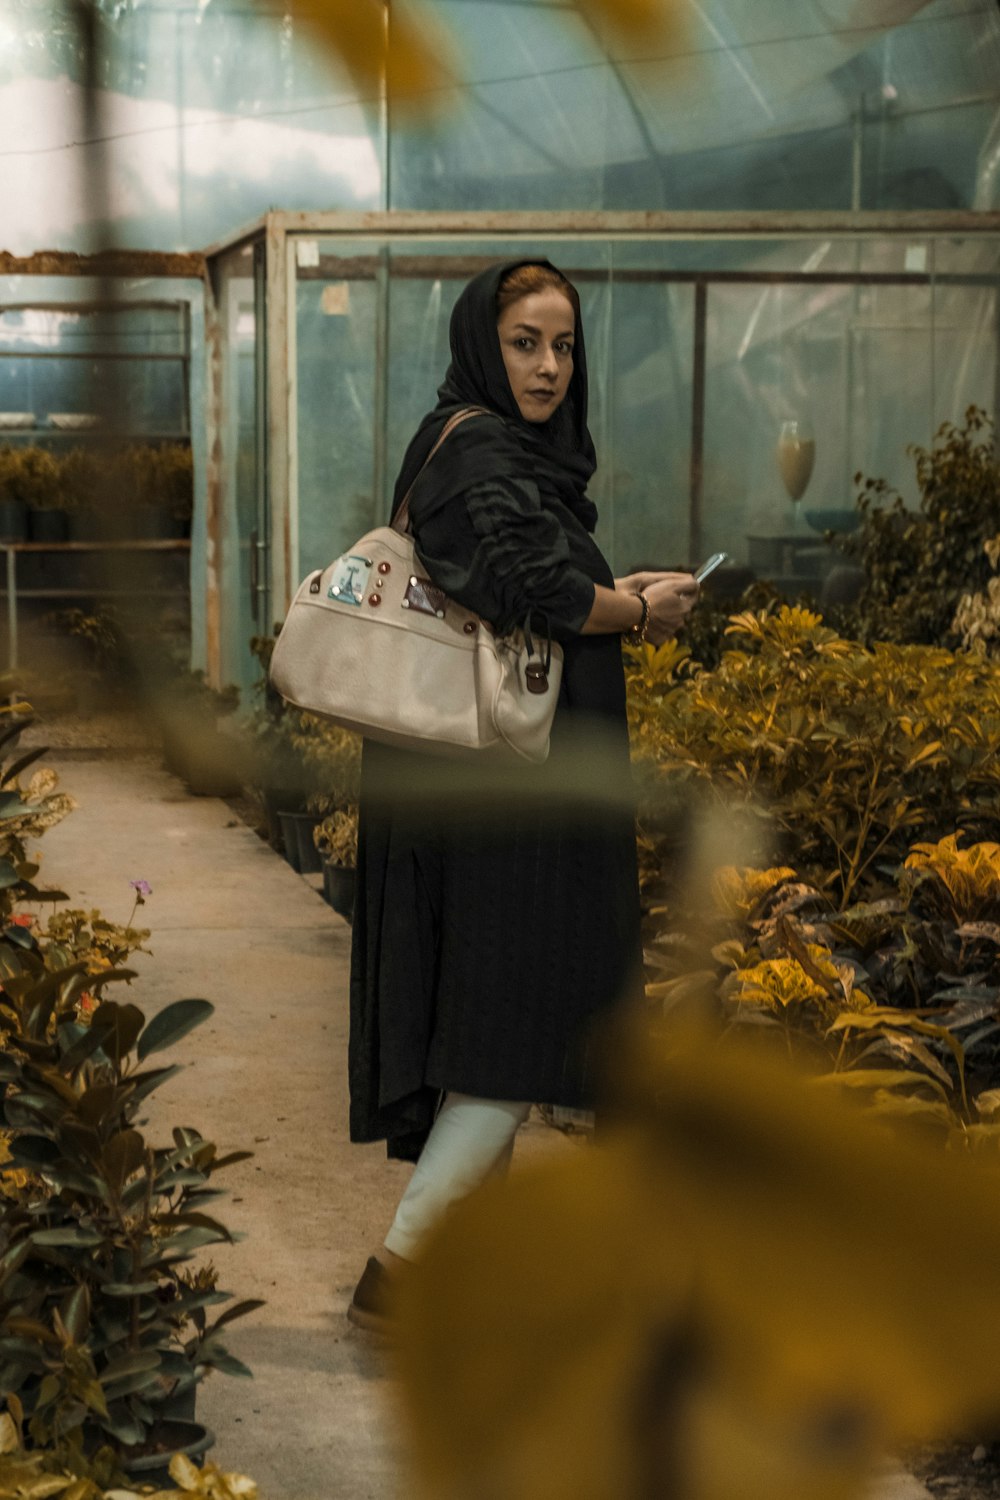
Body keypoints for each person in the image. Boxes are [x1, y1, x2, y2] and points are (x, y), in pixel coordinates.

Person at [347, 258, 698, 1330]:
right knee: (518, 1023)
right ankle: (401, 1276)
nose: (548, 368)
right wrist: (634, 614)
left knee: (499, 1024)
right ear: (481, 348)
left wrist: (615, 590)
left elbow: (522, 577)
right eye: (525, 344)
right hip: (505, 797)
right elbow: (531, 586)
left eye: (563, 346)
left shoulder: (488, 454)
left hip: (493, 783)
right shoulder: (482, 449)